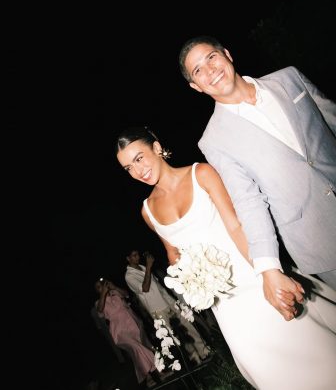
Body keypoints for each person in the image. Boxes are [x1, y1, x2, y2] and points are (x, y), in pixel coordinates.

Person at [115, 126, 336, 390]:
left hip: (252, 278)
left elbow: (236, 226)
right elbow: (173, 254)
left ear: (157, 147)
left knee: (308, 345)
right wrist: (191, 283)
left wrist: (269, 273)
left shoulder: (202, 174)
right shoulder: (147, 210)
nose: (138, 171)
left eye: (139, 158)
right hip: (223, 303)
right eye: (128, 168)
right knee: (267, 368)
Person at [178, 35, 336, 320]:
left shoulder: (289, 78)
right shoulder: (214, 141)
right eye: (198, 70)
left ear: (227, 53)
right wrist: (268, 269)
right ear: (195, 87)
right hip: (319, 239)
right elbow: (248, 201)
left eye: (211, 57)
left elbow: (332, 119)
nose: (210, 70)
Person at [124, 249, 211, 365]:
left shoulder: (142, 267)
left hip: (167, 300)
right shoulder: (129, 276)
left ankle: (204, 351)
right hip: (157, 309)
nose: (138, 257)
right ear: (128, 259)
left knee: (187, 325)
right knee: (176, 335)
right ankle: (195, 358)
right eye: (134, 255)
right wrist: (149, 267)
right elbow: (145, 288)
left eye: (137, 254)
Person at [93, 277, 162, 387]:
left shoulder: (115, 293)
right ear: (97, 291)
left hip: (133, 323)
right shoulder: (98, 302)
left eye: (102, 285)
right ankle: (158, 370)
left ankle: (148, 377)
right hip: (119, 331)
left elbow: (126, 294)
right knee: (136, 347)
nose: (101, 288)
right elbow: (100, 310)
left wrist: (114, 287)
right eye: (98, 287)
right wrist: (104, 294)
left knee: (139, 350)